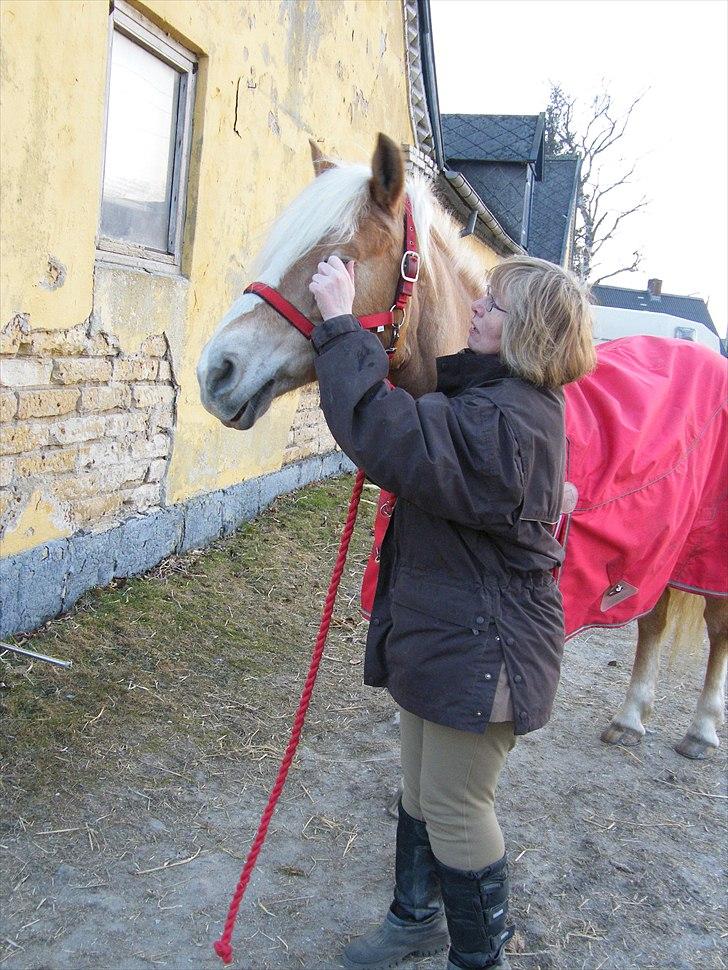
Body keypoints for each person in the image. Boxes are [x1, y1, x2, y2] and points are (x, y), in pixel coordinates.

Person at [308, 254, 596, 970]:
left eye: (495, 306)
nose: (477, 309)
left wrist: (343, 326)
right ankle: (415, 919)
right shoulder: (496, 400)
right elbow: (426, 422)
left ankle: (480, 958)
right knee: (418, 786)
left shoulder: (506, 421)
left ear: (528, 331)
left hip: (485, 649)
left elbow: (390, 435)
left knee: (458, 804)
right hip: (448, 631)